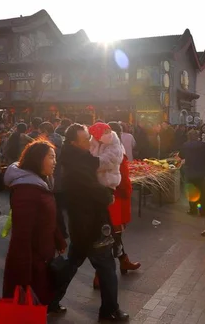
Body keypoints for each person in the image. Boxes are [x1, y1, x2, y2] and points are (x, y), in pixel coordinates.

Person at [55, 124, 129, 322]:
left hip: (81, 225)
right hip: (92, 224)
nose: (90, 141)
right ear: (73, 143)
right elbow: (93, 191)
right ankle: (110, 311)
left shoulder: (76, 157)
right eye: (85, 139)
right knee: (106, 269)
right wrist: (108, 195)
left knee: (72, 264)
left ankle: (51, 301)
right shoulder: (77, 164)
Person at [2, 141, 67, 313]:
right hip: (32, 264)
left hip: (42, 257)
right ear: (38, 159)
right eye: (51, 157)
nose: (55, 162)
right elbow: (21, 236)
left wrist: (58, 240)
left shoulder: (40, 182)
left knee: (39, 305)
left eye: (55, 157)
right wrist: (23, 277)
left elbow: (47, 217)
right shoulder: (27, 191)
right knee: (29, 310)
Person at [92, 122, 140, 290]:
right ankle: (102, 272)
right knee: (109, 234)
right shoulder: (107, 151)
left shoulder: (108, 149)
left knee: (114, 233)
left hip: (113, 196)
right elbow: (121, 176)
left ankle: (123, 260)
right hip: (111, 197)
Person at [179, 129, 205, 215]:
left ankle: (193, 210)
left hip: (190, 171)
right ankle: (202, 210)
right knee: (202, 192)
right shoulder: (203, 145)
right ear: (197, 136)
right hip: (201, 171)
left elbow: (181, 155)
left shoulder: (185, 145)